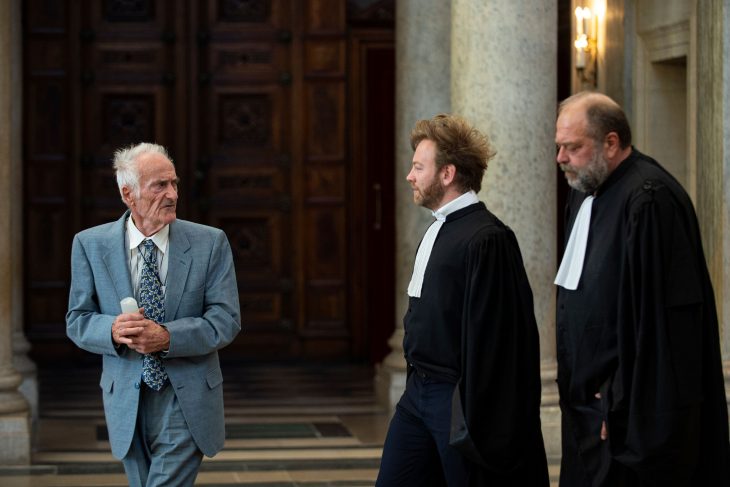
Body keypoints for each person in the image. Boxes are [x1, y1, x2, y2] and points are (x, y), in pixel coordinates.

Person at [554, 91, 730, 486]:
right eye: (560, 147)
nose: (561, 159)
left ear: (611, 142)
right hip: (586, 410)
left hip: (620, 420)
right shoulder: (585, 191)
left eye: (573, 147)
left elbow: (660, 324)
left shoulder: (649, 200)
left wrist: (622, 405)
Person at [376, 114, 548, 486]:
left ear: (447, 174)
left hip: (455, 399)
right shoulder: (438, 229)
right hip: (416, 396)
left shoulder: (488, 239)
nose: (410, 176)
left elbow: (498, 345)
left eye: (418, 167)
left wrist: (470, 409)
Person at [66, 142, 241, 486]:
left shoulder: (211, 242)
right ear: (128, 194)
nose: (172, 193)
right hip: (125, 399)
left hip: (186, 394)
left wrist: (168, 337)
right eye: (160, 185)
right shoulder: (90, 244)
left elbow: (226, 319)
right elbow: (78, 320)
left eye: (174, 183)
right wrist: (113, 330)